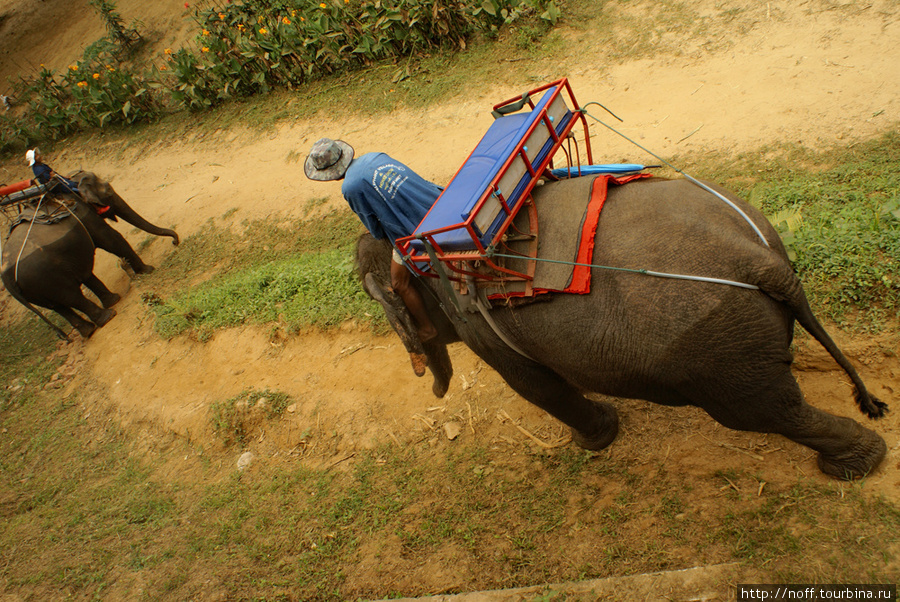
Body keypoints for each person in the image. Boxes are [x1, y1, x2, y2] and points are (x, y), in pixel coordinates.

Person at [304, 137, 440, 342]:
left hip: (418, 224)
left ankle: (428, 328)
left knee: (399, 282)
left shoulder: (350, 187)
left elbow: (375, 230)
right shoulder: (374, 156)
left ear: (328, 174)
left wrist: (377, 227)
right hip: (434, 198)